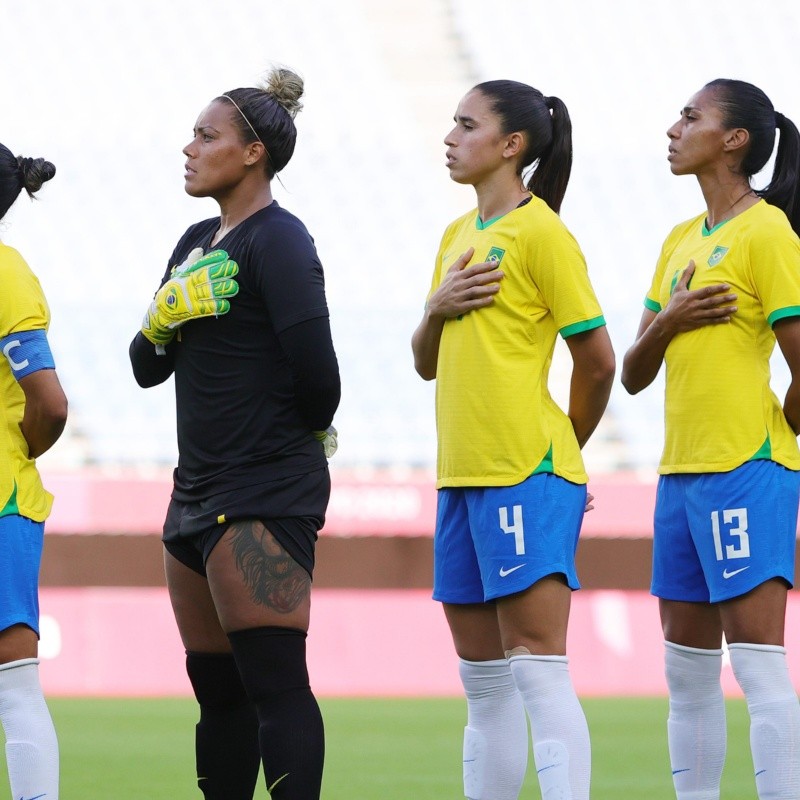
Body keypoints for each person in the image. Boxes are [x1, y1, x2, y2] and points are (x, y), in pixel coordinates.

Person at [129, 66, 340, 800]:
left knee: (275, 683)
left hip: (262, 487)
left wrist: (294, 439)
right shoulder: (195, 241)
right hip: (195, 493)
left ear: (252, 153)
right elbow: (143, 369)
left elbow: (321, 380)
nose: (189, 147)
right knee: (216, 692)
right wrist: (162, 319)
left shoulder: (279, 241)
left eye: (205, 134)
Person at [411, 80, 615, 800]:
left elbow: (597, 361)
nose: (450, 137)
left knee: (536, 668)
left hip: (523, 471)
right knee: (483, 683)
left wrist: (564, 459)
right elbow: (425, 361)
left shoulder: (543, 233)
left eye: (466, 125)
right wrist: (434, 309)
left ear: (511, 145)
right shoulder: (454, 237)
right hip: (460, 476)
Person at [622, 79, 800, 800]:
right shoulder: (678, 241)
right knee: (686, 673)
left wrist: (774, 441)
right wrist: (670, 319)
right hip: (681, 475)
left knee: (757, 666)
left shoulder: (768, 232)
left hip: (743, 470)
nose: (674, 127)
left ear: (735, 141)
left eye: (691, 117)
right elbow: (633, 372)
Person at [0, 144, 66, 799]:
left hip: (2, 507)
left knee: (13, 683)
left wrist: (19, 453)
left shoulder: (6, 272)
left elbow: (49, 404)